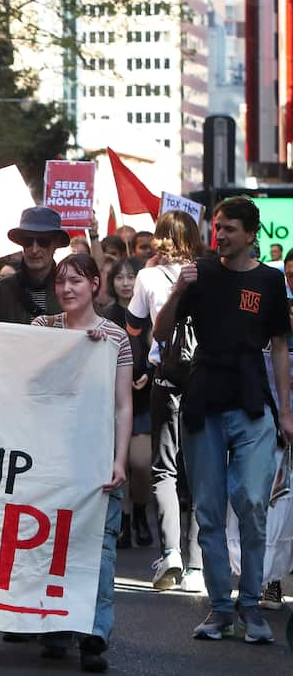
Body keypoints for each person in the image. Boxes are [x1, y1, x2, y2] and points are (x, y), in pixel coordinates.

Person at [154, 197, 293, 644]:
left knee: (252, 503)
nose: (221, 235)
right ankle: (219, 609)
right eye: (217, 227)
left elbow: (279, 348)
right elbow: (158, 334)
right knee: (210, 509)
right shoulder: (199, 272)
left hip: (253, 401)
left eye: (230, 228)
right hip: (204, 397)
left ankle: (250, 605)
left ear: (252, 234)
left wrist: (286, 411)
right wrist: (178, 290)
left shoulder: (271, 281)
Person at [31, 253, 133, 673]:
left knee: (100, 551)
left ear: (94, 283)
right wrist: (69, 350)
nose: (67, 289)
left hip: (96, 459)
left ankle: (94, 633)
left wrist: (119, 460)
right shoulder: (42, 329)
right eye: (61, 282)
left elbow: (123, 405)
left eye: (76, 281)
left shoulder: (115, 338)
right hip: (51, 458)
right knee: (51, 545)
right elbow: (28, 381)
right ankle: (55, 628)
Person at [126, 210, 206, 592]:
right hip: (205, 381)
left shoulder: (147, 277)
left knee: (165, 469)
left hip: (167, 378)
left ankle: (170, 553)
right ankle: (198, 566)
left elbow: (134, 324)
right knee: (201, 471)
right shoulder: (209, 274)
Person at [103, 256, 152, 548]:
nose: (125, 283)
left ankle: (140, 514)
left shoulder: (149, 312)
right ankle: (120, 520)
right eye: (120, 277)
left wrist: (148, 372)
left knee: (141, 463)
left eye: (131, 277)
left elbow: (161, 350)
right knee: (115, 466)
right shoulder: (106, 315)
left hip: (144, 402)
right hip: (111, 403)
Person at [0, 207, 69, 323]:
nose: (34, 249)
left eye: (43, 241)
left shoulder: (71, 293)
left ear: (56, 244)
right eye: (28, 241)